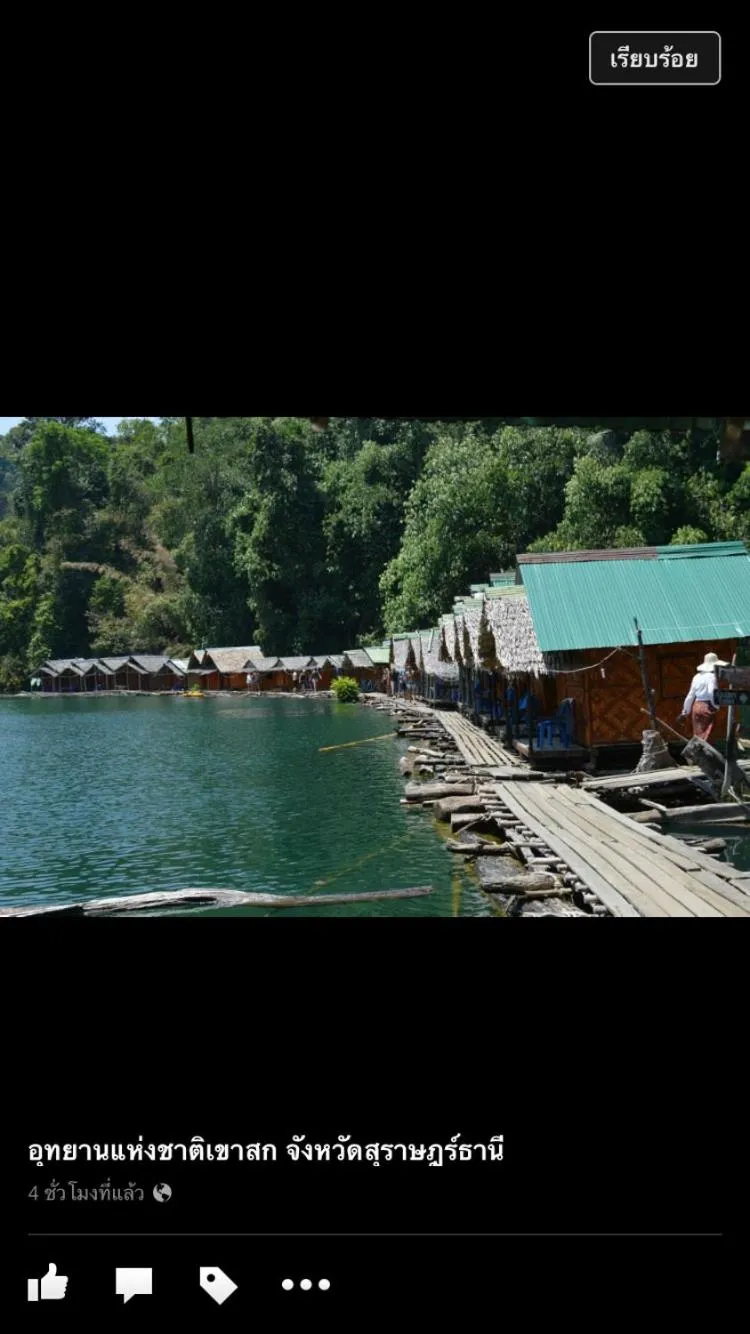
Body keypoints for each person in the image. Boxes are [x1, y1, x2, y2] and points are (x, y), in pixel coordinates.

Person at [677, 651, 729, 742]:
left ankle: (696, 753)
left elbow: (690, 695)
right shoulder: (712, 677)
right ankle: (705, 754)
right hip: (707, 707)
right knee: (708, 736)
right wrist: (716, 705)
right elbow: (711, 692)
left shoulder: (696, 677)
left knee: (698, 735)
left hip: (696, 707)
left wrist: (685, 712)